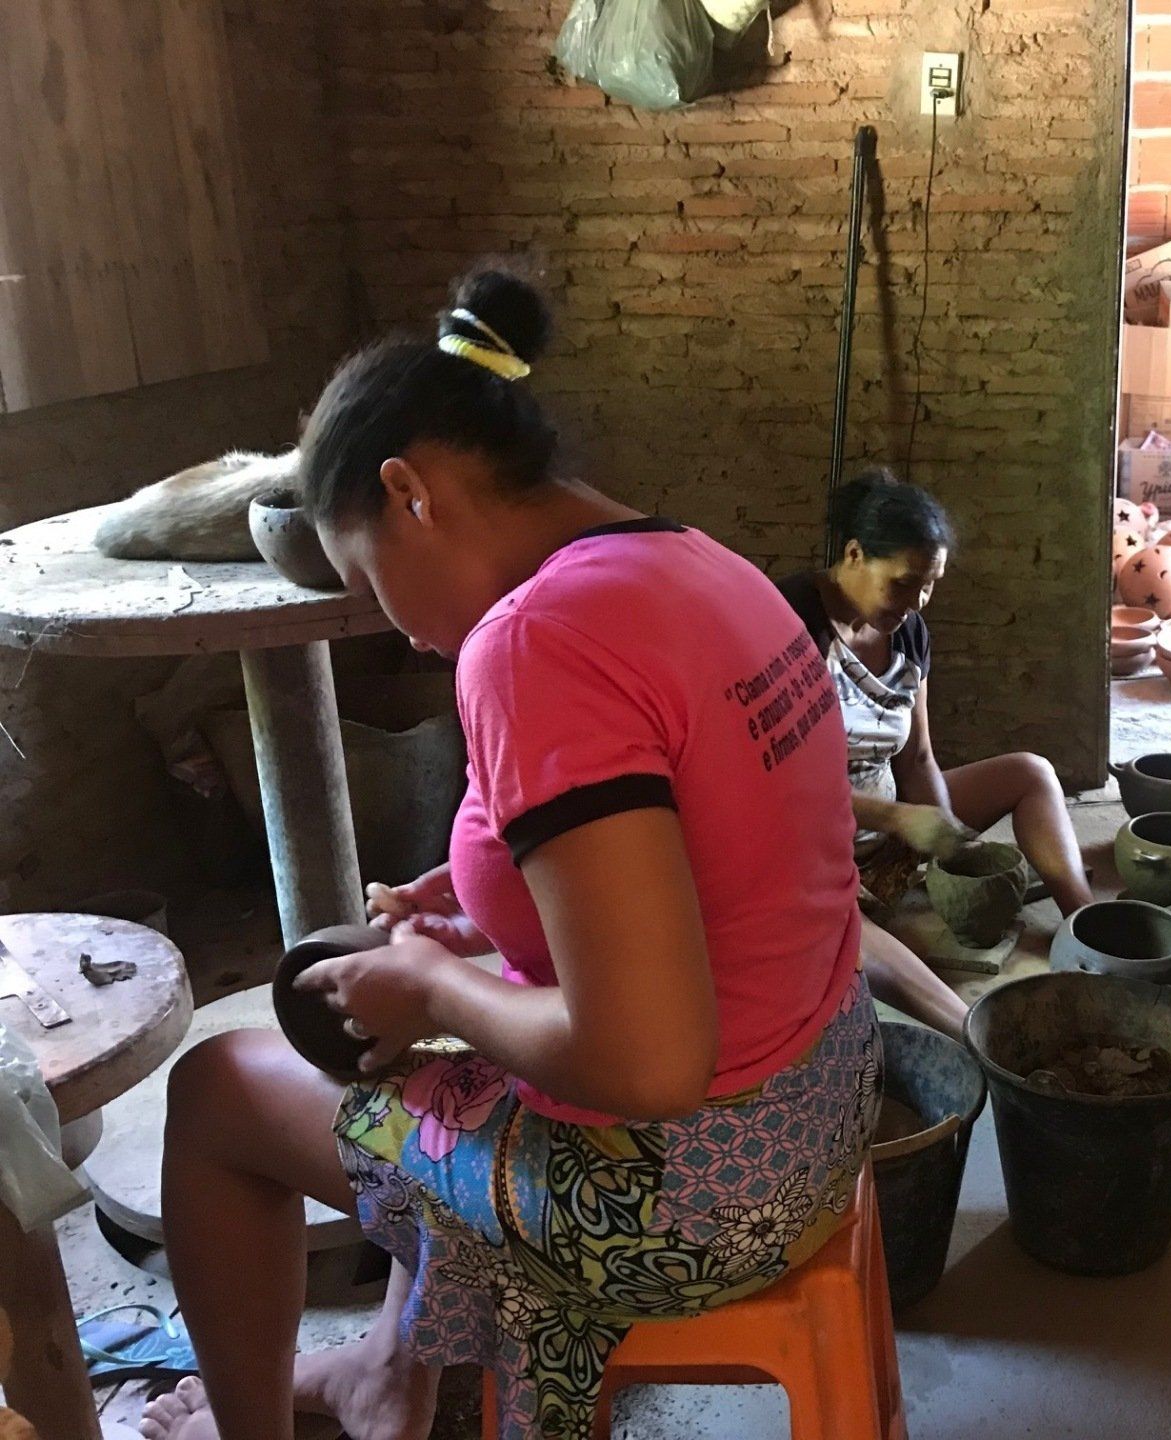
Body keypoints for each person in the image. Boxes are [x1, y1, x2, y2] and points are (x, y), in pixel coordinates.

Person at [141, 269, 879, 1440]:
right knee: (451, 1052)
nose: (394, 624)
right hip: (827, 1104)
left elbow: (644, 1068)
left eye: (369, 576)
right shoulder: (692, 560)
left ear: (409, 493)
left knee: (219, 1089)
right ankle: (385, 1373)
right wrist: (491, 914)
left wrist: (437, 982)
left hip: (687, 1197)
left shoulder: (532, 642)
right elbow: (712, 866)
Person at [777, 470, 1096, 949]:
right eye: (903, 584)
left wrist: (947, 841)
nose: (917, 603)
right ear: (854, 554)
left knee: (1031, 773)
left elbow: (918, 759)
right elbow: (781, 787)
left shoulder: (907, 633)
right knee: (846, 944)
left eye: (929, 585)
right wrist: (897, 818)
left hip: (890, 835)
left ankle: (1089, 926)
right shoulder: (789, 622)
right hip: (809, 843)